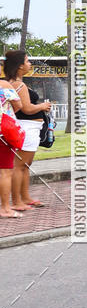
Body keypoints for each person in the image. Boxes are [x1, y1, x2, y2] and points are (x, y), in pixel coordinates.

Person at [4, 51, 51, 211]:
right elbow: (27, 108)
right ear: (20, 66)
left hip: (29, 127)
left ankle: (25, 197)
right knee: (20, 165)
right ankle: (17, 201)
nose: (30, 64)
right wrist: (43, 106)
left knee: (25, 165)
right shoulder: (19, 84)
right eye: (27, 61)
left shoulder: (13, 83)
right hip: (26, 126)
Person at [0, 77, 22, 217]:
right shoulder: (4, 85)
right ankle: (5, 208)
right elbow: (18, 105)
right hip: (4, 132)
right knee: (5, 171)